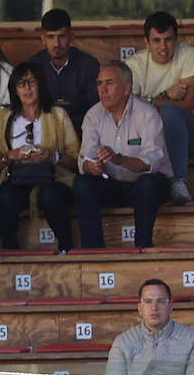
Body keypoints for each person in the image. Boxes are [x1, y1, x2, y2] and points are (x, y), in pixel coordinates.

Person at [74, 61, 173, 249]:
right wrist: (92, 166)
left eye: (109, 83)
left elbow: (151, 163)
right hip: (113, 183)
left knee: (148, 184)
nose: (103, 90)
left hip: (145, 184)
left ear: (127, 88)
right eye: (99, 84)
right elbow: (84, 160)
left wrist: (119, 159)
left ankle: (142, 248)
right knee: (83, 183)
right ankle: (93, 252)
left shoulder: (147, 114)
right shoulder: (93, 115)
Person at [0, 61, 78, 252]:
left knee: (51, 196)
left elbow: (76, 160)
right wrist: (10, 156)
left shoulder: (57, 115)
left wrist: (52, 156)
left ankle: (66, 248)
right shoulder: (2, 117)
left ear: (41, 84)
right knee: (4, 198)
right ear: (15, 89)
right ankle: (11, 252)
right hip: (15, 178)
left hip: (52, 178)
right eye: (21, 83)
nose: (27, 88)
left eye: (32, 82)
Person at [125, 11, 194, 205]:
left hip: (189, 136)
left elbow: (186, 107)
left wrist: (147, 100)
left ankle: (178, 182)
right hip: (149, 138)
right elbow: (128, 107)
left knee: (171, 113)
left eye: (168, 40)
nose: (163, 47)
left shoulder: (188, 55)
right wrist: (165, 95)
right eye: (157, 40)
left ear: (176, 40)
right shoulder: (134, 65)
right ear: (146, 42)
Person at [26, 8, 99, 136]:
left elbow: (96, 111)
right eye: (50, 37)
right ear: (43, 39)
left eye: (62, 36)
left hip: (82, 132)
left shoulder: (89, 65)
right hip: (43, 133)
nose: (56, 44)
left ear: (71, 36)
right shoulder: (33, 66)